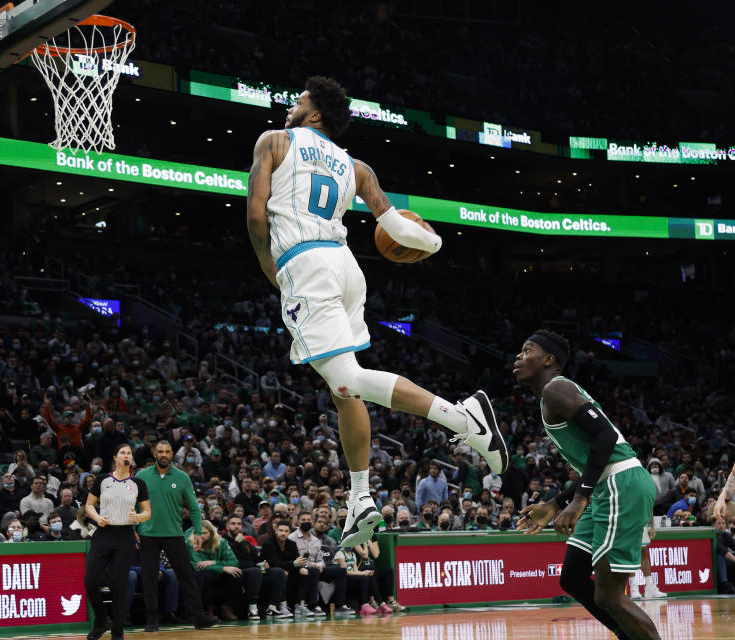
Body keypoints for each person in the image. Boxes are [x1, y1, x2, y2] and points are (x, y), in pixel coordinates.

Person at [246, 75, 507, 547]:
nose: (292, 105)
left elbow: (256, 215)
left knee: (345, 378)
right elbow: (399, 228)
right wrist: (435, 241)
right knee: (346, 387)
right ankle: (360, 497)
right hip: (347, 268)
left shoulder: (275, 141)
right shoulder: (357, 166)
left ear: (317, 112)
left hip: (305, 263)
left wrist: (274, 270)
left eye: (300, 99)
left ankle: (463, 418)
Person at [514, 330, 660, 640]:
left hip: (621, 483)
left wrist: (579, 501)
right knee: (573, 577)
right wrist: (555, 503)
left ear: (549, 359)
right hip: (608, 484)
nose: (518, 357)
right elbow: (596, 458)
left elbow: (606, 437)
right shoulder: (554, 395)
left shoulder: (556, 388)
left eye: (527, 350)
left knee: (609, 596)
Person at [135, 441, 218, 632]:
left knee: (187, 576)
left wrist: (198, 530)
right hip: (148, 534)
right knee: (149, 578)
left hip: (174, 534)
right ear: (154, 453)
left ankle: (198, 617)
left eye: (167, 451)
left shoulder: (182, 477)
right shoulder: (141, 476)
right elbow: (132, 505)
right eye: (160, 451)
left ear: (172, 454)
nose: (163, 454)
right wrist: (134, 530)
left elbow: (194, 508)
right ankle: (152, 620)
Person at [84, 444, 151, 640]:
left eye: (129, 453)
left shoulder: (138, 483)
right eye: (123, 452)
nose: (126, 455)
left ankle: (118, 632)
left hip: (125, 537)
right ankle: (102, 620)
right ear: (115, 457)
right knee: (90, 581)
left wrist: (139, 517)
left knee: (119, 585)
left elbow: (147, 512)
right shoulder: (103, 480)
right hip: (104, 534)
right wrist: (97, 518)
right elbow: (89, 505)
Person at [186, 520, 241, 621]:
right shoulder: (191, 543)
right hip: (200, 574)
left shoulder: (222, 542)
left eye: (205, 533)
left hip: (216, 573)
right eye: (198, 532)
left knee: (235, 572)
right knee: (207, 575)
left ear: (211, 533)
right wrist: (223, 568)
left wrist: (213, 562)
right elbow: (197, 566)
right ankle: (208, 609)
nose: (201, 535)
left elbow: (234, 562)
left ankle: (227, 608)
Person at [630, 517, 667, 599]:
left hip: (640, 523)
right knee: (630, 553)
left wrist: (652, 527)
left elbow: (650, 507)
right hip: (627, 521)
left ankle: (650, 587)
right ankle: (633, 588)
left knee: (643, 553)